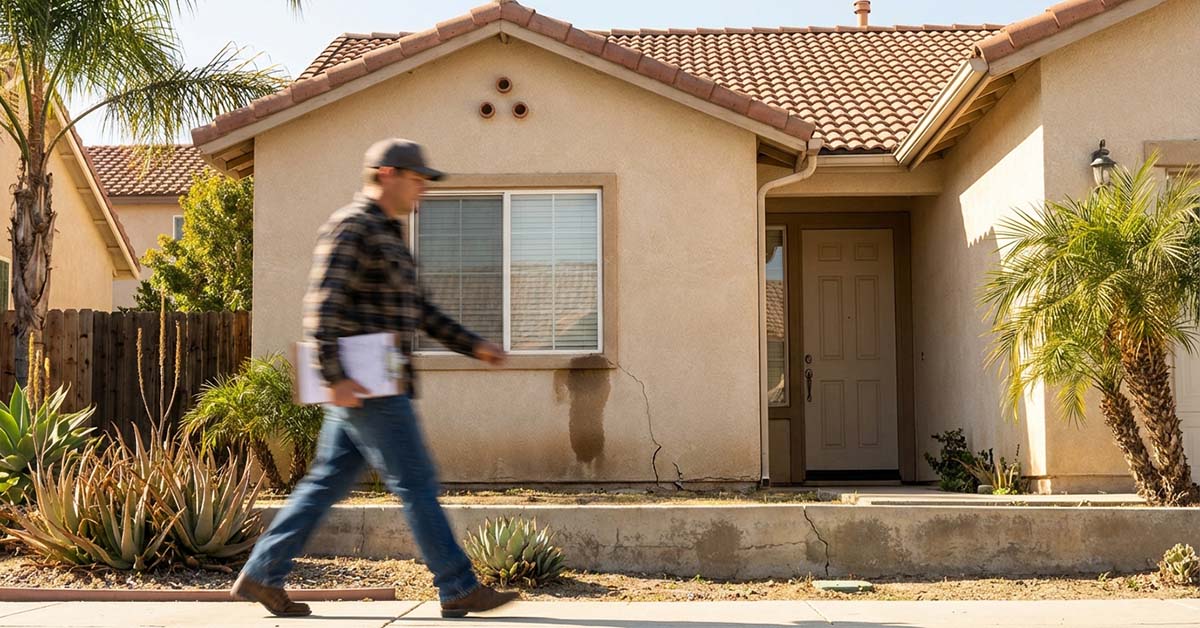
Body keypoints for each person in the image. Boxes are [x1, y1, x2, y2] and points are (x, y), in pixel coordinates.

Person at [232, 139, 519, 619]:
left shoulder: (388, 234)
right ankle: (457, 585)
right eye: (418, 178)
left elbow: (420, 311)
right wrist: (335, 376)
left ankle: (263, 572)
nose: (423, 189)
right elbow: (322, 306)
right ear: (388, 174)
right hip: (370, 387)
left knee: (324, 483)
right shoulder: (352, 228)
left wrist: (474, 345)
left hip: (372, 385)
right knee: (417, 482)